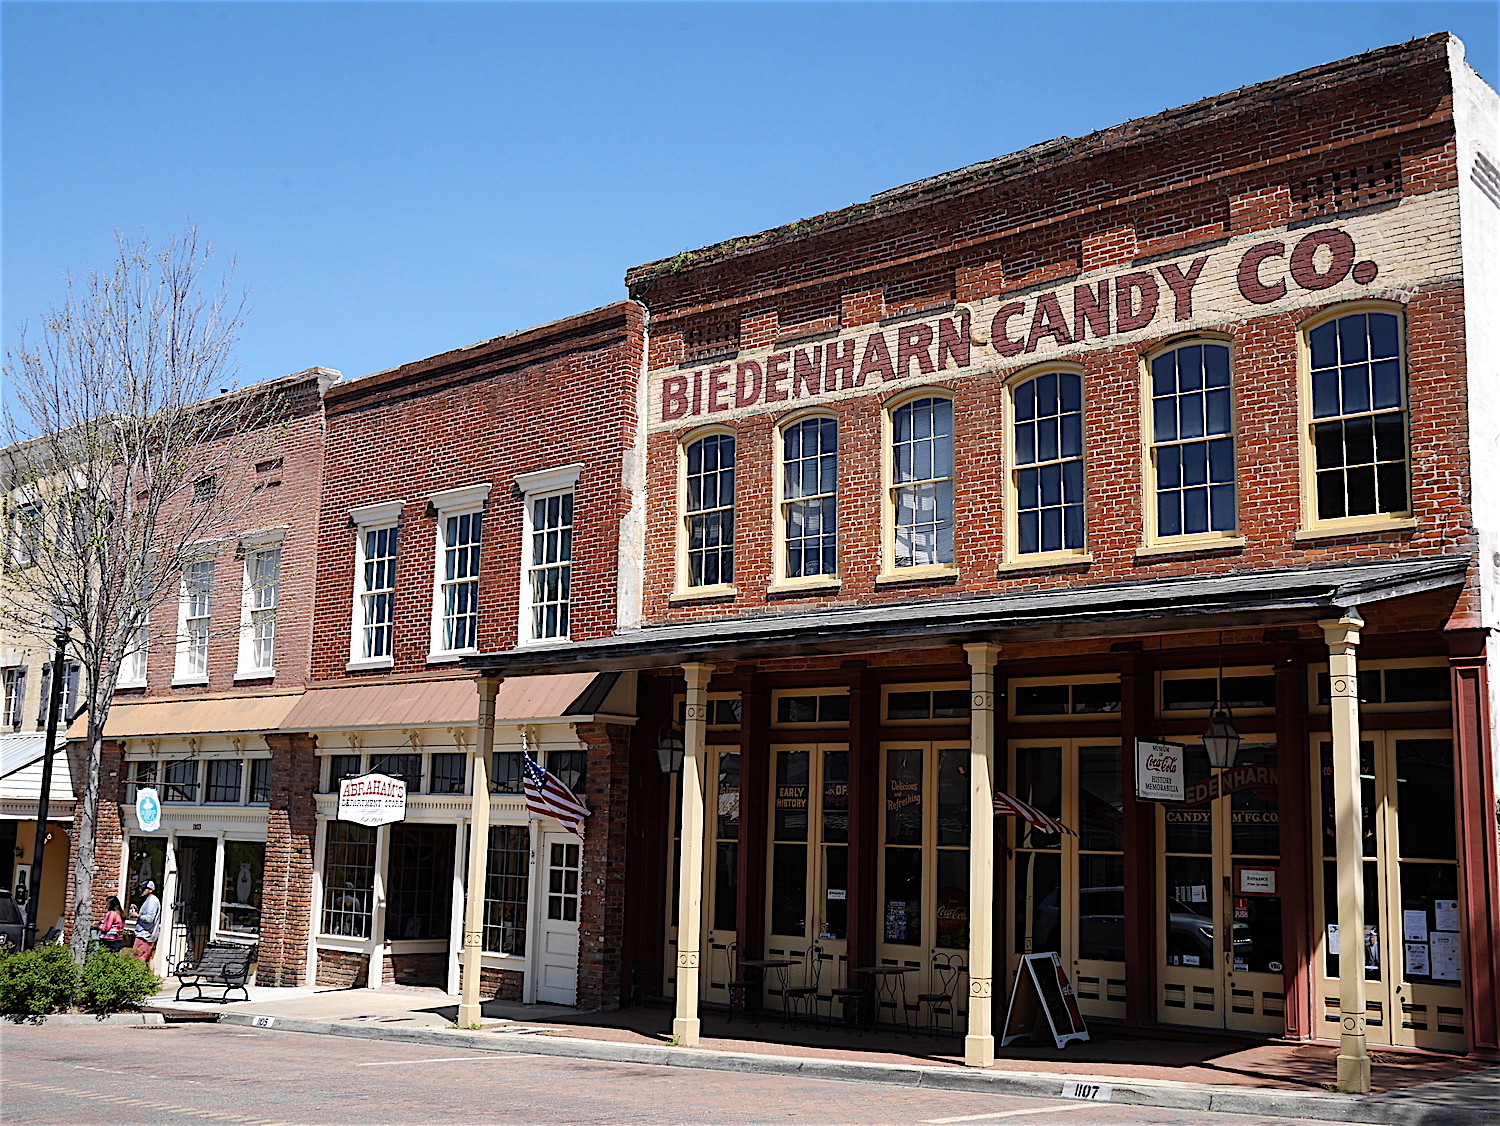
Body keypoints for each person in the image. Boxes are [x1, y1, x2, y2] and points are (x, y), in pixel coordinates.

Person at [129, 880, 161, 962]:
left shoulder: (152, 901)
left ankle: (137, 975)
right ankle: (149, 974)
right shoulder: (149, 900)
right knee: (148, 958)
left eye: (144, 888)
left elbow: (150, 918)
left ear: (151, 890)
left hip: (144, 935)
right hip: (147, 935)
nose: (141, 890)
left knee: (137, 959)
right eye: (141, 888)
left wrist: (137, 915)